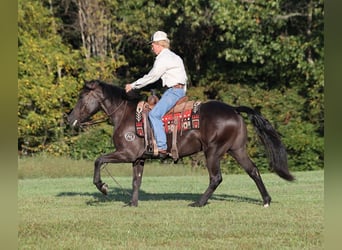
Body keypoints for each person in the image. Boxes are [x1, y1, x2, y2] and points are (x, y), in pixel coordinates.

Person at [125, 31, 188, 157]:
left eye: (152, 44)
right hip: (178, 90)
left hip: (173, 92)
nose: (152, 47)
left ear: (159, 44)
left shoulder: (163, 58)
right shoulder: (174, 57)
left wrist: (133, 85)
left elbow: (152, 76)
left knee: (154, 114)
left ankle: (161, 146)